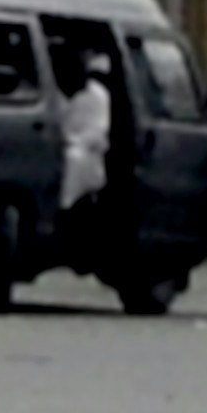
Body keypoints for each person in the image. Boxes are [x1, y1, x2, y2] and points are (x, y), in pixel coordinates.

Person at [54, 36, 118, 278]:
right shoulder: (58, 97)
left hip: (87, 155)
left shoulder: (97, 96)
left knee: (75, 162)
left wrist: (72, 143)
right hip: (64, 149)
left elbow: (96, 131)